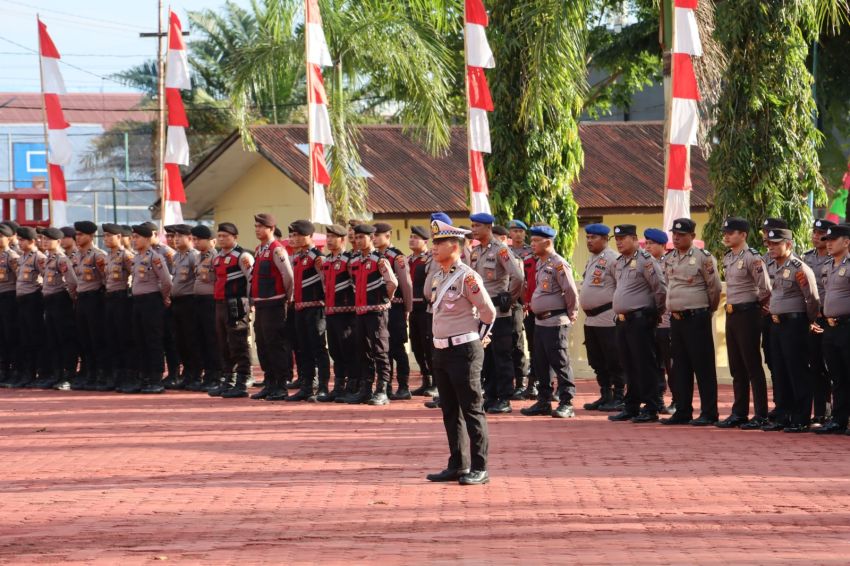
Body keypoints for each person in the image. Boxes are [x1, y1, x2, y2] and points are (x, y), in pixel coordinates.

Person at [425, 219, 495, 486]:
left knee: (471, 409)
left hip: (464, 350)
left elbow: (489, 312)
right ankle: (458, 463)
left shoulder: (467, 276)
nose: (434, 247)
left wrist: (479, 340)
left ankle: (480, 467)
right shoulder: (439, 276)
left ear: (455, 246)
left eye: (440, 243)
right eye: (434, 243)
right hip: (442, 350)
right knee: (450, 410)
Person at [661, 218, 722, 426]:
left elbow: (715, 289)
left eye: (681, 235)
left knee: (703, 367)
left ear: (693, 237)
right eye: (674, 235)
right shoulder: (670, 258)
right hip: (676, 320)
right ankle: (683, 410)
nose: (676, 238)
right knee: (680, 367)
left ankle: (709, 412)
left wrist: (707, 311)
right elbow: (669, 285)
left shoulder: (703, 258)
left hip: (697, 318)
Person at [607, 224, 667, 423]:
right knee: (628, 364)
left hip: (641, 320)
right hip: (623, 321)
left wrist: (655, 313)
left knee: (644, 364)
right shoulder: (619, 262)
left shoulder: (645, 261)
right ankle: (631, 406)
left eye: (623, 238)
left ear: (634, 239)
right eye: (617, 239)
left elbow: (660, 289)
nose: (619, 242)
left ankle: (651, 407)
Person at [762, 227, 820, 432]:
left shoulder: (799, 267)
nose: (771, 248)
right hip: (776, 325)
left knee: (797, 370)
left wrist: (807, 321)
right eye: (769, 244)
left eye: (776, 244)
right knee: (780, 371)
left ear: (789, 244)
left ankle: (801, 417)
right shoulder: (773, 266)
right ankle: (783, 415)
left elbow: (812, 298)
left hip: (795, 324)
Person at [520, 224, 580, 418]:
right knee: (540, 363)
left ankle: (566, 402)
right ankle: (544, 401)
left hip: (555, 321)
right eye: (532, 240)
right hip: (540, 322)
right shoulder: (540, 263)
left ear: (548, 242)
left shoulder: (558, 263)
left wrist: (571, 313)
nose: (532, 244)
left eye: (536, 240)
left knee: (560, 362)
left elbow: (570, 291)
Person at [718, 217, 772, 430]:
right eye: (726, 232)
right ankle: (739, 412)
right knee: (736, 366)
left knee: (752, 366)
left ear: (743, 234)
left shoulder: (753, 257)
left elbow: (766, 288)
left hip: (748, 314)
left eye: (731, 232)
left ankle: (760, 414)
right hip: (731, 315)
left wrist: (753, 307)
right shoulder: (728, 257)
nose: (726, 236)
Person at [468, 213, 524, 414]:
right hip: (482, 312)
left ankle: (505, 397)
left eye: (478, 226)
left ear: (489, 227)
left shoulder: (501, 250)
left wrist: (509, 297)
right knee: (486, 356)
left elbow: (518, 276)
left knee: (502, 355)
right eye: (472, 225)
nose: (474, 229)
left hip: (499, 312)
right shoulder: (475, 251)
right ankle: (491, 395)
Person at [345, 224, 398, 405]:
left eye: (362, 237)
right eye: (356, 237)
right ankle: (365, 390)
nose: (358, 241)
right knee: (363, 350)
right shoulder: (355, 261)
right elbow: (353, 283)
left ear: (371, 237)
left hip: (377, 312)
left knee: (380, 350)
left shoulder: (379, 259)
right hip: (360, 312)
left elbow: (392, 283)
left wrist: (384, 300)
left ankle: (382, 390)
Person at [579, 223, 625, 411]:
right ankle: (605, 394)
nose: (589, 241)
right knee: (597, 360)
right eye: (588, 237)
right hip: (591, 320)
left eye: (594, 237)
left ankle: (619, 396)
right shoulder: (592, 259)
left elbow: (622, 286)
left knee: (614, 359)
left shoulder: (613, 259)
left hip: (608, 318)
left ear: (605, 239)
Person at [249, 213, 294, 401]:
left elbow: (288, 276)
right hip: (261, 303)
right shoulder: (259, 249)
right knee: (263, 344)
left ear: (272, 229)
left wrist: (287, 298)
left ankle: (281, 385)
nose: (258, 229)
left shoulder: (277, 249)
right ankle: (269, 383)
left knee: (276, 344)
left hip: (275, 303)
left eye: (262, 226)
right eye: (256, 226)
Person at [208, 222, 254, 398]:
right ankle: (228, 380)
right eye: (219, 236)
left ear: (235, 238)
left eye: (225, 236)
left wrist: (250, 303)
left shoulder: (242, 256)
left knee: (238, 343)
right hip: (220, 304)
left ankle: (242, 381)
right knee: (223, 343)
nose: (221, 239)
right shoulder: (217, 257)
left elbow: (252, 280)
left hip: (236, 304)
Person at [288, 219, 330, 402]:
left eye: (298, 235)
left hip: (316, 308)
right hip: (300, 309)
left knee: (318, 348)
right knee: (302, 349)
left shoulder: (318, 257)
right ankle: (306, 385)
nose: (294, 238)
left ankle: (322, 387)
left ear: (310, 237)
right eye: (293, 235)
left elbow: (326, 283)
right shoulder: (297, 257)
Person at [129, 223, 172, 394]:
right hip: (138, 301)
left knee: (153, 340)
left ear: (147, 239)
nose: (134, 240)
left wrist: (162, 298)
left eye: (137, 237)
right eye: (133, 237)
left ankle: (156, 378)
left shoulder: (154, 257)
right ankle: (144, 376)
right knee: (139, 340)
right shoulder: (136, 257)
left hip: (152, 300)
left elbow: (167, 281)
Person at [815, 224, 850, 434]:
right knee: (836, 375)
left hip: (847, 326)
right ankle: (838, 419)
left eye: (832, 240)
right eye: (826, 240)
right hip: (830, 327)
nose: (827, 243)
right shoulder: (827, 266)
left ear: (846, 242)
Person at [373, 222, 414, 399]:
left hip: (396, 307)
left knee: (397, 347)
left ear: (387, 236)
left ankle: (404, 386)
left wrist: (408, 308)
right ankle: (386, 385)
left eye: (377, 235)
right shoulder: (373, 256)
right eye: (372, 235)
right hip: (379, 308)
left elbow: (406, 284)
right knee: (383, 348)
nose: (373, 238)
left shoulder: (397, 257)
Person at [802, 219, 835, 427]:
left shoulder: (837, 259)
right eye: (814, 232)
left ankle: (835, 409)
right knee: (815, 364)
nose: (816, 236)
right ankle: (820, 411)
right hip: (814, 317)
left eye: (820, 233)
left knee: (833, 365)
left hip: (832, 317)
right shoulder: (805, 258)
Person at [37, 227, 78, 389]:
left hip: (60, 300)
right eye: (44, 239)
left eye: (49, 239)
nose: (44, 241)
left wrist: (71, 298)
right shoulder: (48, 259)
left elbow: (72, 281)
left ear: (58, 242)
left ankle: (69, 375)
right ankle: (57, 373)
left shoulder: (61, 259)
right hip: (49, 301)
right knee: (53, 339)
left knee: (64, 339)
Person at [71, 221, 107, 390]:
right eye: (76, 234)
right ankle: (89, 372)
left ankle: (101, 374)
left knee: (96, 338)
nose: (77, 237)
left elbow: (106, 279)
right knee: (83, 338)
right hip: (82, 298)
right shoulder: (76, 256)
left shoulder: (98, 255)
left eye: (81, 234)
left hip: (94, 298)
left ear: (91, 236)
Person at [323, 224, 356, 402]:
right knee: (335, 350)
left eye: (332, 237)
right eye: (327, 236)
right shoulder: (327, 261)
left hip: (347, 313)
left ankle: (352, 386)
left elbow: (356, 284)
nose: (328, 240)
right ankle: (338, 386)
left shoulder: (349, 260)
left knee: (348, 349)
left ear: (342, 240)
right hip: (330, 312)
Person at [167, 224, 202, 390]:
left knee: (191, 340)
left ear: (190, 238)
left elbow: (198, 279)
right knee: (179, 340)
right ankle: (187, 374)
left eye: (180, 236)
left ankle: (195, 375)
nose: (176, 239)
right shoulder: (176, 257)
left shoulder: (194, 256)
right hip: (177, 302)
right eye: (175, 236)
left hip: (190, 302)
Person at [644, 229, 674, 414]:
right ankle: (658, 398)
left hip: (667, 321)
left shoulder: (670, 263)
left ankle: (678, 399)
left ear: (663, 246)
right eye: (646, 244)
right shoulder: (646, 264)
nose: (647, 247)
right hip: (651, 321)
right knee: (655, 363)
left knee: (670, 363)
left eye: (651, 244)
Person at [102, 223, 135, 393]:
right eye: (105, 236)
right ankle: (116, 375)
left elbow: (135, 275)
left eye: (110, 236)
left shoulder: (126, 256)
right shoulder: (107, 257)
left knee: (124, 338)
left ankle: (128, 375)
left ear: (119, 237)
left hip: (122, 298)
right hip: (109, 298)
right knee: (111, 338)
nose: (106, 239)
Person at [12, 227, 45, 388]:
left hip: (33, 300)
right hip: (22, 300)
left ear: (32, 241)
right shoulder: (21, 258)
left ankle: (39, 372)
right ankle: (28, 372)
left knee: (35, 337)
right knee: (24, 337)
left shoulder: (38, 258)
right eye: (18, 240)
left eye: (22, 240)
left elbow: (49, 277)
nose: (19, 242)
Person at [190, 224, 220, 392]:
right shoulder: (197, 257)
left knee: (212, 339)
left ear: (211, 241)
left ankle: (216, 374)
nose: (195, 243)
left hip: (211, 301)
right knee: (201, 338)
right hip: (199, 301)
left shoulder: (216, 257)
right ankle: (207, 374)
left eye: (199, 240)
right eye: (194, 239)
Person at [507, 220, 535, 400]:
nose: (517, 234)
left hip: (522, 303)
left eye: (520, 231)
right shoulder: (505, 251)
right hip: (506, 301)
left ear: (525, 234)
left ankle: (523, 381)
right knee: (505, 343)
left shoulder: (531, 252)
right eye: (514, 231)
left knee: (520, 343)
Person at [408, 225, 437, 397]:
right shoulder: (408, 259)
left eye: (415, 237)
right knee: (416, 345)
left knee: (429, 345)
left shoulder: (429, 259)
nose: (411, 239)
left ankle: (435, 382)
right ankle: (425, 380)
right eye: (410, 236)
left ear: (425, 241)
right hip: (412, 308)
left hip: (426, 308)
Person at [0, 223, 18, 387]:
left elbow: (21, 278)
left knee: (10, 334)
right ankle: (3, 370)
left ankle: (14, 371)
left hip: (9, 297)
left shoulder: (12, 256)